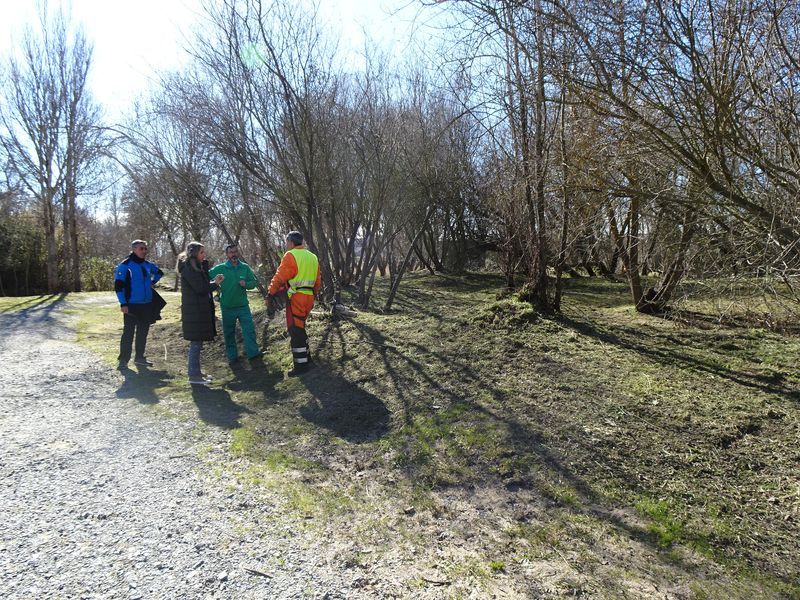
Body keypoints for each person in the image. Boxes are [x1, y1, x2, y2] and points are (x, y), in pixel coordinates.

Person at [267, 231, 321, 376]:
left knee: (295, 331)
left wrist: (270, 293)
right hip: (309, 297)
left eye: (287, 243)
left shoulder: (291, 255)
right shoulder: (313, 257)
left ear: (290, 242)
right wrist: (312, 295)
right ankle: (307, 359)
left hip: (296, 297)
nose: (286, 245)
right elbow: (317, 281)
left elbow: (280, 276)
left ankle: (301, 367)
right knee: (301, 328)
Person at [208, 244, 263, 366]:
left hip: (243, 306)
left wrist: (246, 284)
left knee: (249, 330)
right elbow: (205, 276)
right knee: (229, 333)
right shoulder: (220, 268)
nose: (234, 254)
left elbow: (253, 283)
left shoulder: (245, 267)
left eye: (235, 252)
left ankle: (253, 354)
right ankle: (232, 358)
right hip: (227, 306)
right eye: (231, 252)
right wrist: (214, 282)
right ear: (227, 255)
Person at [178, 242, 224, 386]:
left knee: (198, 343)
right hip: (194, 312)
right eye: (202, 252)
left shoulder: (197, 267)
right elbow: (200, 288)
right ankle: (193, 375)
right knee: (196, 343)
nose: (204, 255)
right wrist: (215, 283)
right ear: (194, 253)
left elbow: (202, 286)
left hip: (198, 310)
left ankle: (196, 372)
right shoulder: (189, 269)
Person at [114, 239, 163, 369]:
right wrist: (123, 303)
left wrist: (151, 282)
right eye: (141, 248)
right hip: (131, 305)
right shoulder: (125, 265)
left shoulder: (147, 264)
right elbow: (118, 287)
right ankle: (123, 360)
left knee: (143, 332)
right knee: (128, 333)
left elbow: (159, 273)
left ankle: (140, 358)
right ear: (134, 249)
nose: (144, 251)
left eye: (145, 248)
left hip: (146, 304)